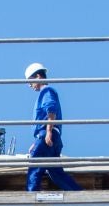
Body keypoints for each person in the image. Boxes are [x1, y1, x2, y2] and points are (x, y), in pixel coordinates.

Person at [24, 62, 83, 191]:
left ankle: (29, 198)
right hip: (52, 138)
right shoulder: (47, 91)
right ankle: (79, 194)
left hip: (47, 135)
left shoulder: (46, 91)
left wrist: (48, 132)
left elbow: (51, 109)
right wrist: (37, 141)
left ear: (38, 76)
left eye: (30, 81)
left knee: (34, 168)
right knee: (56, 174)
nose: (29, 85)